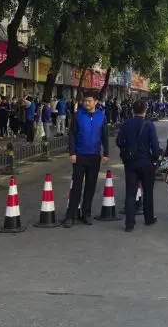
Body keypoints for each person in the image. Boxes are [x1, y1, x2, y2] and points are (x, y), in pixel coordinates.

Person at [64, 91, 109, 228]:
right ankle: (70, 216)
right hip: (79, 156)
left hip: (94, 156)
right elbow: (71, 134)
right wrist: (72, 152)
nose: (86, 103)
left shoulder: (101, 116)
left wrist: (106, 153)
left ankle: (86, 213)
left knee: (90, 187)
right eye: (85, 101)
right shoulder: (78, 116)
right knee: (76, 187)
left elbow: (104, 135)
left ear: (96, 102)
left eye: (89, 101)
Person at [117, 99, 161, 232]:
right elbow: (155, 146)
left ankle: (129, 223)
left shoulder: (127, 124)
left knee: (130, 193)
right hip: (146, 163)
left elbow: (119, 141)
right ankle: (148, 218)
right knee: (148, 192)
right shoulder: (149, 125)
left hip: (130, 163)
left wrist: (127, 150)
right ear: (145, 110)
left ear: (133, 110)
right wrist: (154, 160)